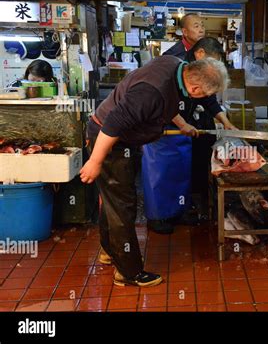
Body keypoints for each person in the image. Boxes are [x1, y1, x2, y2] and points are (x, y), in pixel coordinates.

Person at [80, 56, 229, 287]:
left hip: (119, 137)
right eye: (204, 95)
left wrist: (182, 125)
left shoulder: (175, 65)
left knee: (113, 200)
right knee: (123, 204)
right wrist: (95, 161)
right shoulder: (151, 92)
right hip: (108, 140)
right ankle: (128, 273)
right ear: (196, 88)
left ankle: (111, 251)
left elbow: (166, 102)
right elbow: (114, 123)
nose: (204, 99)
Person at [144, 37, 236, 235]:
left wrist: (225, 122)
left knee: (180, 174)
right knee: (160, 175)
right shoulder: (174, 64)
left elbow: (210, 99)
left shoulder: (200, 75)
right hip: (162, 131)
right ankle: (158, 216)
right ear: (200, 55)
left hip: (182, 132)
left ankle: (179, 211)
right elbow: (162, 101)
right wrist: (182, 123)